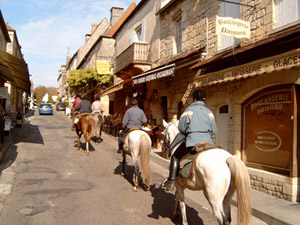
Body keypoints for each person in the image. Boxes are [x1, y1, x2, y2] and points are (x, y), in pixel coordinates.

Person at [160, 89, 217, 191]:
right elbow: (214, 132)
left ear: (194, 99)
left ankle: (171, 181)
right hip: (208, 143)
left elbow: (181, 128)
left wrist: (189, 133)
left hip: (192, 141)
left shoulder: (189, 110)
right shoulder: (210, 112)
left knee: (175, 156)